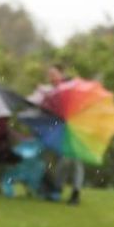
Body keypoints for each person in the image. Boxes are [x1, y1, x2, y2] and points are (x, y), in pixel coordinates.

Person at [33, 64, 85, 205]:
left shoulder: (69, 87)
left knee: (74, 160)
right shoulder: (49, 91)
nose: (52, 78)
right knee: (62, 160)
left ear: (61, 74)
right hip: (58, 128)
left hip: (75, 126)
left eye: (54, 74)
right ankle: (56, 187)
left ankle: (75, 192)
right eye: (50, 75)